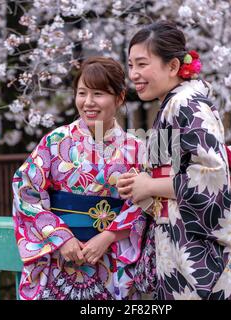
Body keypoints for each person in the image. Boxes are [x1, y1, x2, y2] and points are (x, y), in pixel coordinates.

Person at [117, 20, 231, 300]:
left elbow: (211, 177)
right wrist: (139, 186)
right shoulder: (171, 106)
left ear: (173, 67)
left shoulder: (188, 105)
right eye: (130, 65)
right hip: (178, 256)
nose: (134, 74)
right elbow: (169, 176)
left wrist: (150, 186)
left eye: (142, 64)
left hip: (202, 267)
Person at [12, 56, 146, 300]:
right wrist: (61, 238)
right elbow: (26, 190)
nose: (88, 102)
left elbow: (144, 204)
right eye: (82, 93)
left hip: (109, 256)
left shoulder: (135, 148)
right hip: (57, 255)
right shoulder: (56, 141)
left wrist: (108, 236)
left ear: (120, 97)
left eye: (98, 94)